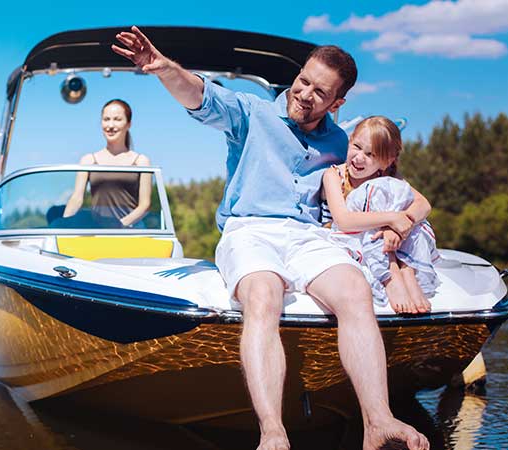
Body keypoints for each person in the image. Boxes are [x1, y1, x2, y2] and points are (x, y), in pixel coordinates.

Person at [112, 26, 430, 450]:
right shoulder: (251, 112)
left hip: (308, 236)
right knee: (263, 295)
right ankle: (273, 433)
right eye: (303, 81)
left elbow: (389, 176)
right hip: (250, 229)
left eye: (320, 92)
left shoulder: (340, 141)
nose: (304, 94)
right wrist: (163, 68)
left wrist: (402, 219)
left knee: (355, 290)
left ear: (337, 102)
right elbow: (201, 96)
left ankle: (378, 421)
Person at [321, 116, 439, 314]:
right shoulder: (334, 175)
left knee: (408, 208)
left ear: (387, 161)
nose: (359, 158)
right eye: (357, 147)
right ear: (350, 141)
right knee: (379, 197)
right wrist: (392, 220)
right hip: (348, 236)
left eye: (370, 154)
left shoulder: (388, 178)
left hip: (387, 240)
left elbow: (423, 204)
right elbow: (344, 221)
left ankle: (407, 271)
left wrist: (400, 227)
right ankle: (391, 275)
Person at [62, 99, 152, 228]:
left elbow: (145, 205)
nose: (110, 125)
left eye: (117, 119)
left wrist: (119, 225)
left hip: (132, 230)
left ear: (128, 124)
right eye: (106, 119)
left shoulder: (141, 161)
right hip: (98, 230)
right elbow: (76, 198)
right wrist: (64, 226)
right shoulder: (88, 160)